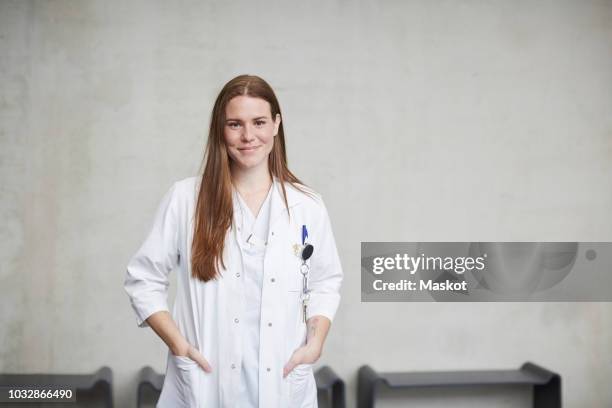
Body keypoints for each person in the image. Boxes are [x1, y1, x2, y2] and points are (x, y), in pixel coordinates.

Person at [124, 74, 343, 408]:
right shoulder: (186, 200)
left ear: (276, 125)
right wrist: (178, 345)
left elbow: (324, 282)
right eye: (234, 124)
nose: (247, 136)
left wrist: (315, 343)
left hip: (283, 384)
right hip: (204, 382)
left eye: (258, 122)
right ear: (220, 130)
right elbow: (142, 279)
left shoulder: (307, 205)